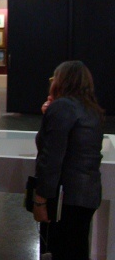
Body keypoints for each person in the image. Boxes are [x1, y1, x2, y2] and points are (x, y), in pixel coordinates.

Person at [33, 61, 103, 260]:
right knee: (77, 247)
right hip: (87, 194)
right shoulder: (92, 109)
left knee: (59, 249)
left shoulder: (63, 106)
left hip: (65, 197)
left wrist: (40, 200)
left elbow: (51, 157)